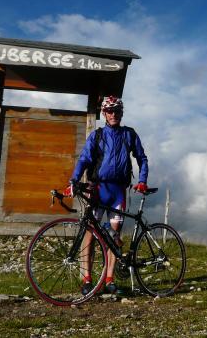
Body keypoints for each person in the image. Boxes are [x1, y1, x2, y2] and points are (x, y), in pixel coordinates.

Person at [64, 95, 148, 295]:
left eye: (117, 110)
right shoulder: (97, 135)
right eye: (109, 111)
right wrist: (74, 180)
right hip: (98, 189)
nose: (113, 114)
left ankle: (109, 279)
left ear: (122, 112)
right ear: (104, 113)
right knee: (90, 233)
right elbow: (84, 158)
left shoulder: (129, 134)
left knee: (113, 236)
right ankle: (87, 279)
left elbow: (142, 158)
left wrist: (142, 180)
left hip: (118, 191)